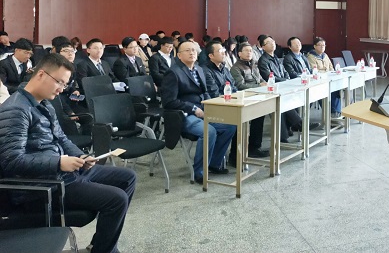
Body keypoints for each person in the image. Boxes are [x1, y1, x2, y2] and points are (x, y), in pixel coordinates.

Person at [0, 53, 136, 253]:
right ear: (41, 74)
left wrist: (80, 156)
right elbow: (11, 161)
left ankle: (100, 246)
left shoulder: (43, 103)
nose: (62, 89)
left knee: (128, 178)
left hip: (62, 174)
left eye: (65, 84)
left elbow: (61, 138)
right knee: (117, 199)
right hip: (42, 186)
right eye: (59, 82)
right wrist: (58, 162)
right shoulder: (16, 110)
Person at [161, 41, 236, 183]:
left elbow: (205, 92)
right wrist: (194, 109)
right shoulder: (173, 73)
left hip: (203, 110)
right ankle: (200, 171)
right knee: (209, 131)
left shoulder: (199, 69)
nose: (192, 53)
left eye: (194, 50)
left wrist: (210, 105)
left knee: (229, 126)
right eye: (187, 50)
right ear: (179, 55)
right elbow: (169, 102)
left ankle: (214, 163)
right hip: (183, 114)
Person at [257, 36, 312, 142]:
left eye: (273, 41)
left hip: (282, 87)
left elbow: (285, 72)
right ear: (263, 47)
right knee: (282, 104)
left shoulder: (276, 58)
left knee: (291, 101)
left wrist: (287, 80)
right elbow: (269, 77)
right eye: (268, 42)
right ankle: (300, 125)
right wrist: (285, 81)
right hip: (273, 90)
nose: (272, 43)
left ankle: (290, 130)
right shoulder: (263, 60)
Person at [230, 42, 269, 158]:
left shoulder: (254, 65)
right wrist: (259, 86)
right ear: (239, 53)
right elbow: (240, 85)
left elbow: (260, 79)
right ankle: (242, 152)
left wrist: (265, 84)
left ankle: (255, 147)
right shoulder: (236, 68)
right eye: (246, 51)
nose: (249, 53)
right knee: (254, 117)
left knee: (260, 115)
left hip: (257, 96)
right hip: (245, 98)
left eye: (251, 51)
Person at [306, 37, 342, 119]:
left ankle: (337, 112)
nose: (322, 47)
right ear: (315, 46)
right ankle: (331, 113)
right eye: (320, 45)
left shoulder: (325, 55)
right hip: (318, 81)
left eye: (323, 45)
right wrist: (325, 74)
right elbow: (314, 70)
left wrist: (331, 73)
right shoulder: (311, 56)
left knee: (336, 89)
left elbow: (331, 67)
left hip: (329, 79)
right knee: (323, 91)